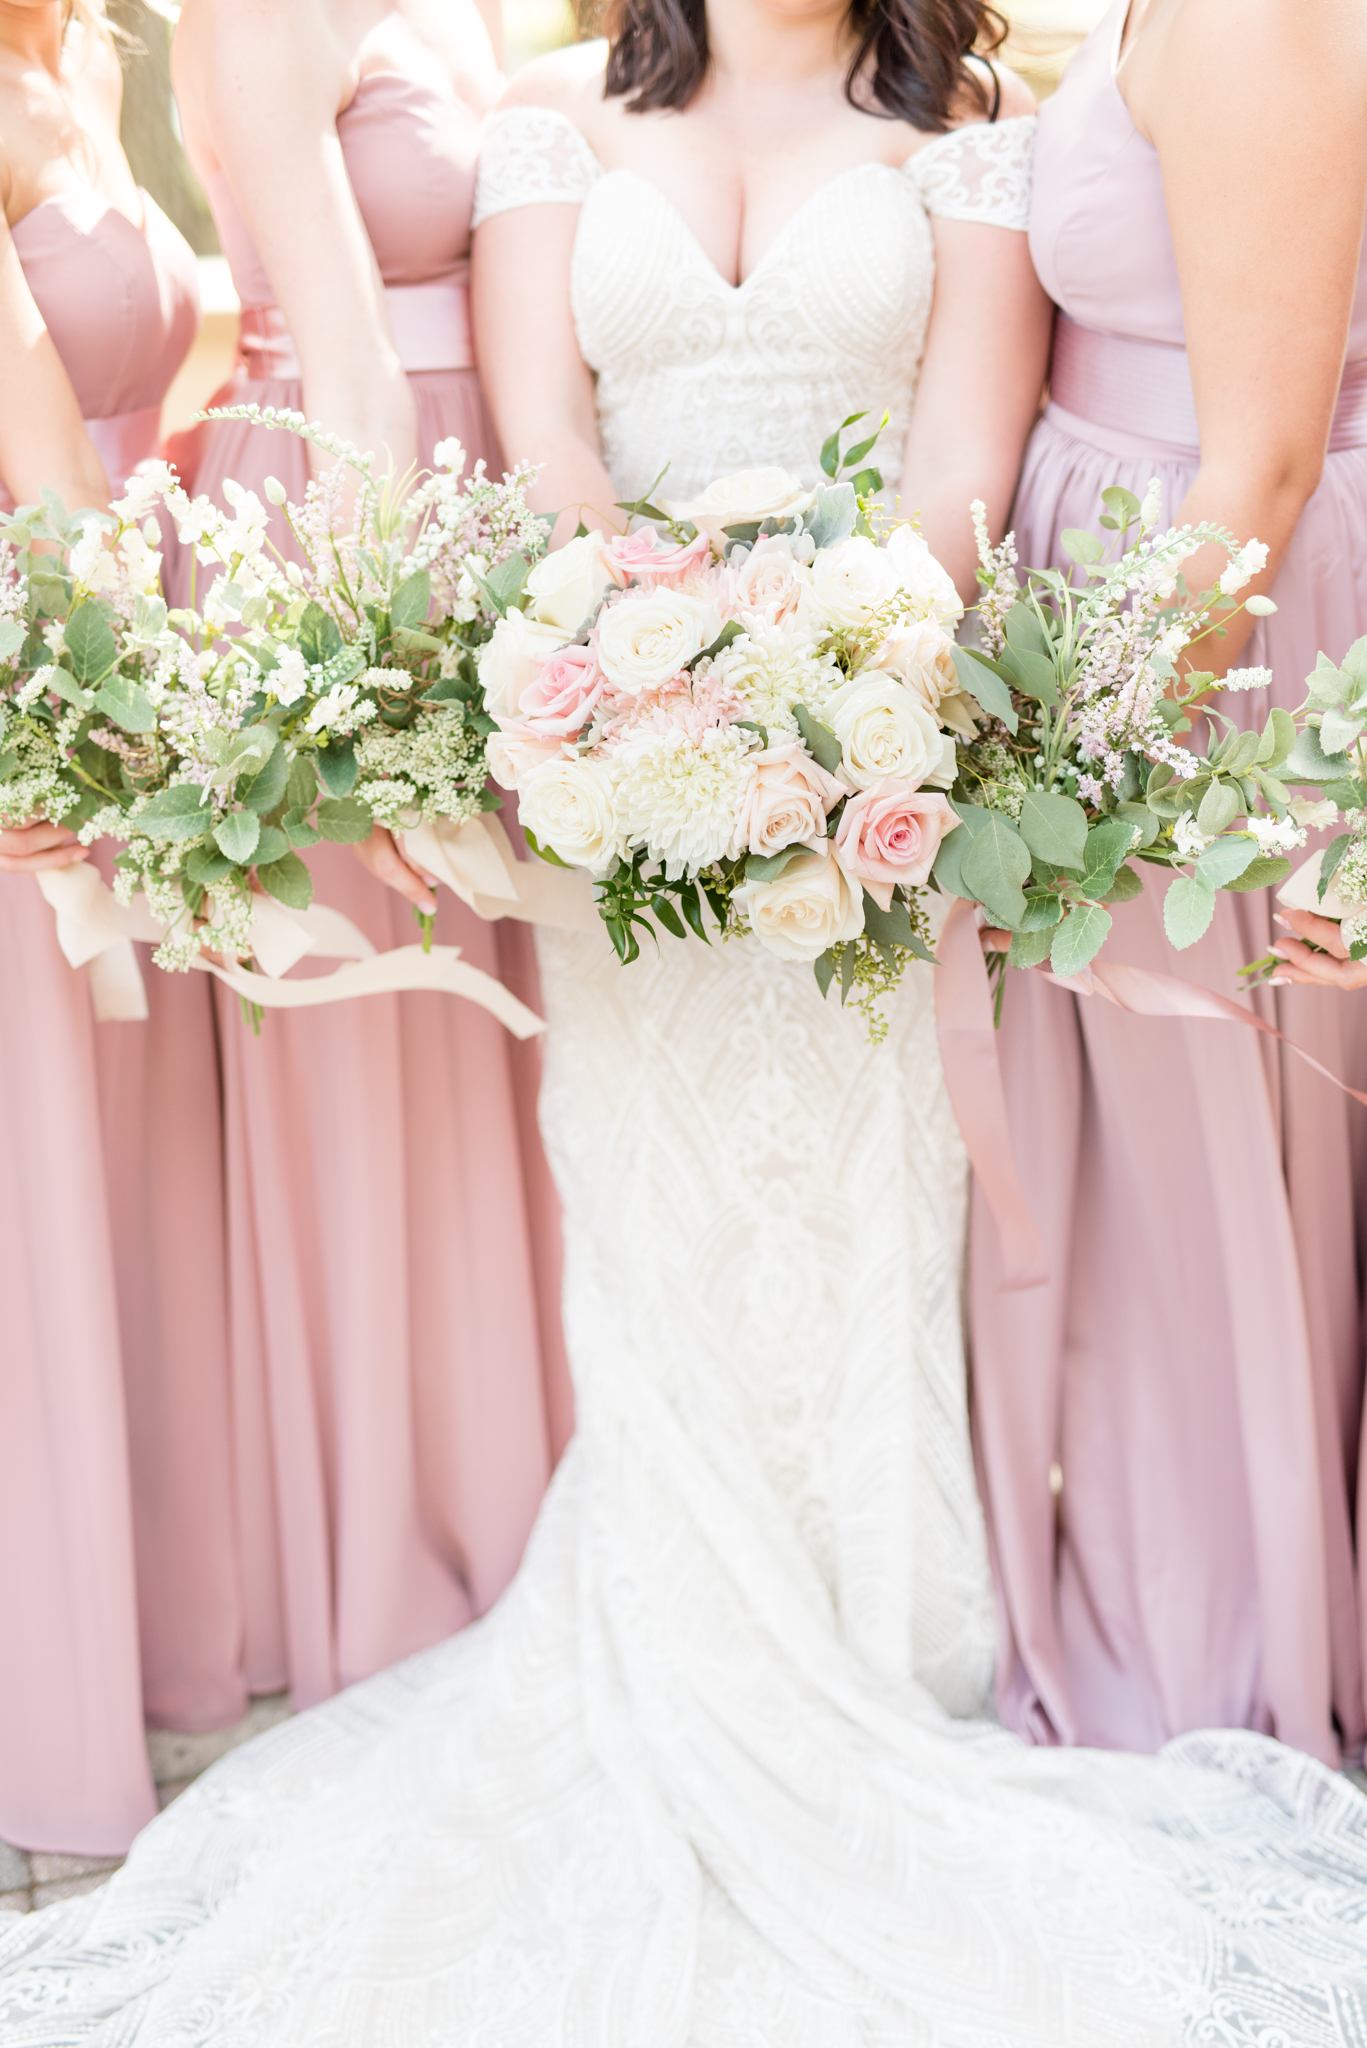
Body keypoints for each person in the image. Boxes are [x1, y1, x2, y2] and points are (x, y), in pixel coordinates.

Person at [7, 5, 1367, 2038]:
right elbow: (547, 445)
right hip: (614, 784)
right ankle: (671, 1624)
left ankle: (900, 1646)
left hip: (873, 787)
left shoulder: (976, 140)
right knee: (654, 1234)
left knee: (867, 1226)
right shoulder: (550, 126)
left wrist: (834, 698)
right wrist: (636, 671)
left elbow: (960, 478)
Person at [968, 0, 1367, 1770]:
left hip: (1218, 641)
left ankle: (1235, 1665)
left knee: (1223, 1172)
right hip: (1130, 607)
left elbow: (1266, 461)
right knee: (1149, 1186)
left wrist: (1101, 760)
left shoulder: (1255, 15)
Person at [162, 0, 572, 1715]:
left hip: (484, 518)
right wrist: (386, 680)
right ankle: (390, 1590)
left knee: (498, 1076)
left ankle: (533, 1528)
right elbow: (345, 378)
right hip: (345, 542)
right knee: (375, 1069)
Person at [0, 0, 238, 1858]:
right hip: (48, 653)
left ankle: (138, 1628)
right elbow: (53, 483)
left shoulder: (86, 53)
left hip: (121, 618)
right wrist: (153, 702)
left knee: (115, 1166)